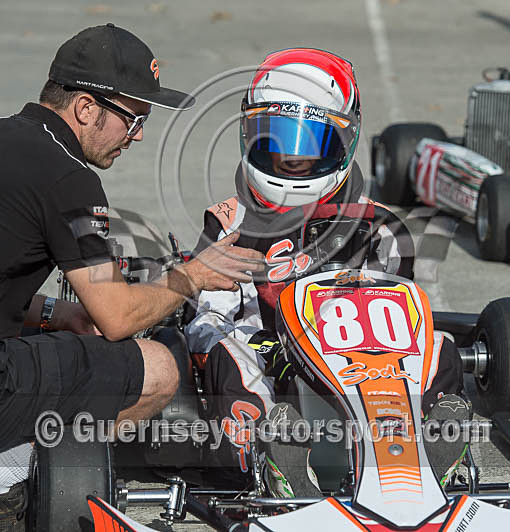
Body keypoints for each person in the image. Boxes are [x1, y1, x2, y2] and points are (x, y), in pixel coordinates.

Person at [0, 24, 263, 531]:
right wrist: (193, 275)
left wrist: (58, 312)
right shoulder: (68, 176)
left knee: (46, 339)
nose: (138, 135)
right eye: (134, 118)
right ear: (87, 108)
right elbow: (118, 318)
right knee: (158, 368)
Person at [184, 48, 465, 497]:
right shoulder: (230, 224)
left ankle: (433, 451)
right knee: (229, 355)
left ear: (342, 142)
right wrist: (272, 346)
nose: (291, 156)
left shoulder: (380, 227)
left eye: (309, 141)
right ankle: (270, 453)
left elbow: (401, 320)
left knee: (438, 348)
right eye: (276, 138)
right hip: (272, 364)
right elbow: (208, 321)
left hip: (367, 367)